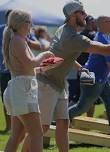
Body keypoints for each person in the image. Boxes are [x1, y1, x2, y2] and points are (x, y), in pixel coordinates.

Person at [37, 1, 110, 151]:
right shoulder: (74, 38)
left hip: (60, 83)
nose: (86, 16)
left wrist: (79, 67)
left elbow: (60, 54)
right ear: (72, 16)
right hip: (48, 83)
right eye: (82, 13)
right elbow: (106, 50)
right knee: (43, 127)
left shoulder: (64, 30)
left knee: (64, 123)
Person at [69, 16, 110, 136]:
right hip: (92, 79)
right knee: (82, 107)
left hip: (102, 79)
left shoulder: (106, 37)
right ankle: (57, 120)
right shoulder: (102, 40)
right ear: (102, 24)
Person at [2, 10, 55, 152]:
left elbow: (27, 69)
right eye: (29, 22)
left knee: (17, 136)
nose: (31, 25)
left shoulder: (17, 39)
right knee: (37, 134)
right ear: (21, 24)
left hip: (19, 89)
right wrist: (44, 54)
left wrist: (44, 67)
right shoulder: (18, 40)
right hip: (22, 91)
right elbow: (30, 63)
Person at [0, 9, 12, 133]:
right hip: (4, 71)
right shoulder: (1, 29)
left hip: (19, 71)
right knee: (5, 98)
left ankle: (18, 127)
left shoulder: (23, 30)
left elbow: (37, 44)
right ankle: (9, 127)